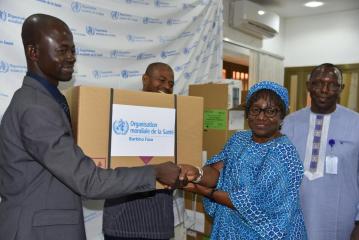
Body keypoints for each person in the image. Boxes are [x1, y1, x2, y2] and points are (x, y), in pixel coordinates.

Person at [0, 14, 180, 240]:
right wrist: (154, 171)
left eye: (73, 50)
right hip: (37, 231)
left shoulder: (48, 100)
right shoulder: (37, 108)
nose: (71, 57)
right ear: (33, 52)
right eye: (62, 50)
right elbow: (88, 181)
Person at [178, 81, 307, 239]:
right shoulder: (239, 139)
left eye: (271, 111)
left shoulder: (284, 153)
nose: (261, 117)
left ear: (282, 116)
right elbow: (217, 172)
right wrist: (196, 173)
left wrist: (202, 190)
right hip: (229, 229)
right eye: (255, 110)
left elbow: (253, 202)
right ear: (247, 113)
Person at [282, 63, 359, 240]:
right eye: (317, 83)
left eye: (332, 84)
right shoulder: (289, 123)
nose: (324, 89)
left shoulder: (357, 124)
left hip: (342, 223)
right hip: (295, 219)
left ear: (341, 88)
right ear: (308, 85)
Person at [103, 62, 175, 240]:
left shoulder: (176, 116)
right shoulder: (120, 110)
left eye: (171, 83)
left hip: (159, 219)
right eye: (162, 80)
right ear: (145, 79)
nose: (167, 86)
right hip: (121, 218)